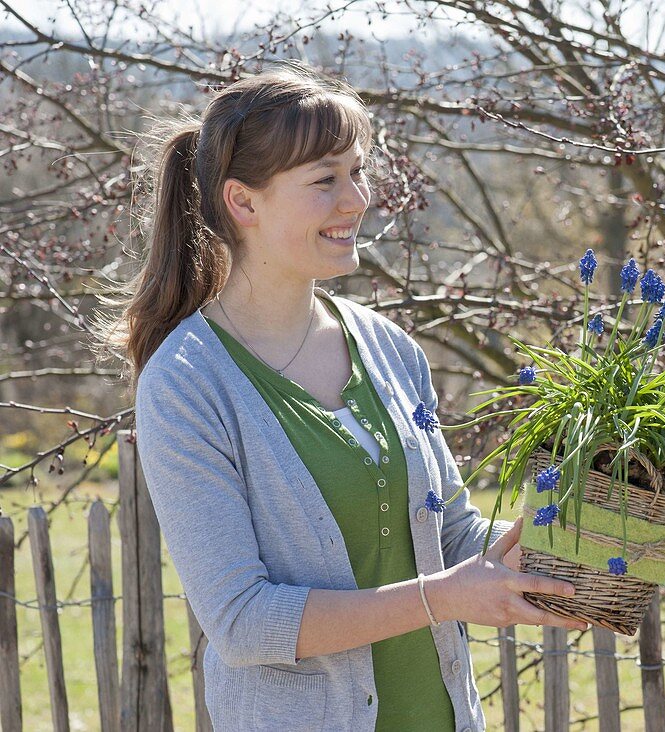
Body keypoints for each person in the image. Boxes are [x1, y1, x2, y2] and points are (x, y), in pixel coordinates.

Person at [91, 61, 585, 731]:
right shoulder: (187, 381)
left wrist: (574, 547)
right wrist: (442, 598)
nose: (356, 200)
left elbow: (451, 537)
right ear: (243, 203)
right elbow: (243, 621)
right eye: (325, 181)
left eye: (357, 172)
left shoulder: (389, 349)